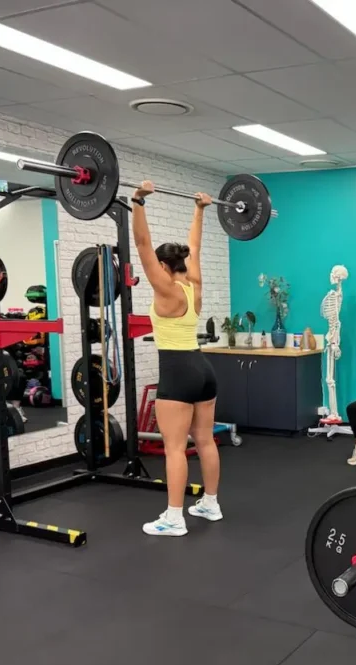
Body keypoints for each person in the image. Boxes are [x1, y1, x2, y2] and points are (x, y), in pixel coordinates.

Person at [132, 182, 222, 535]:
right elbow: (195, 245)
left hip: (177, 371)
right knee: (205, 441)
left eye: (159, 263)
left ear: (165, 265)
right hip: (203, 369)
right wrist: (200, 210)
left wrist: (138, 201)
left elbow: (141, 246)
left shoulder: (166, 288)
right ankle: (210, 504)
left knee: (174, 448)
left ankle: (174, 517)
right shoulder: (194, 285)